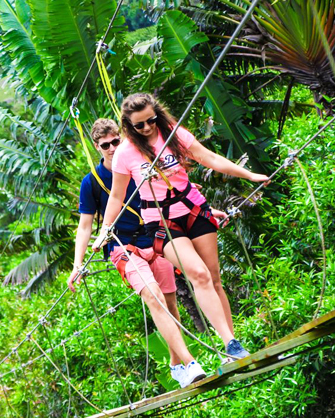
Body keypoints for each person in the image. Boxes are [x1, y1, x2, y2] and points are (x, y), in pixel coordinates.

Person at [93, 93, 269, 363]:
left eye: (151, 120)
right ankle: (231, 344)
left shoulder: (175, 135)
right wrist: (105, 230)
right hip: (162, 222)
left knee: (213, 277)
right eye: (139, 125)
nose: (147, 128)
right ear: (129, 125)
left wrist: (248, 174)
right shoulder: (125, 153)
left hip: (195, 210)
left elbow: (208, 158)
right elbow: (117, 196)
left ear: (157, 114)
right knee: (197, 274)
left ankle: (231, 347)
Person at [68, 118, 207, 388]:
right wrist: (77, 264)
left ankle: (176, 364)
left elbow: (176, 192)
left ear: (122, 139)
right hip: (123, 246)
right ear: (97, 147)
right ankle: (191, 363)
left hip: (157, 239)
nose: (111, 148)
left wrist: (206, 212)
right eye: (104, 145)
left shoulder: (140, 164)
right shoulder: (92, 182)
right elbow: (85, 226)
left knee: (170, 305)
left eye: (115, 142)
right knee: (152, 295)